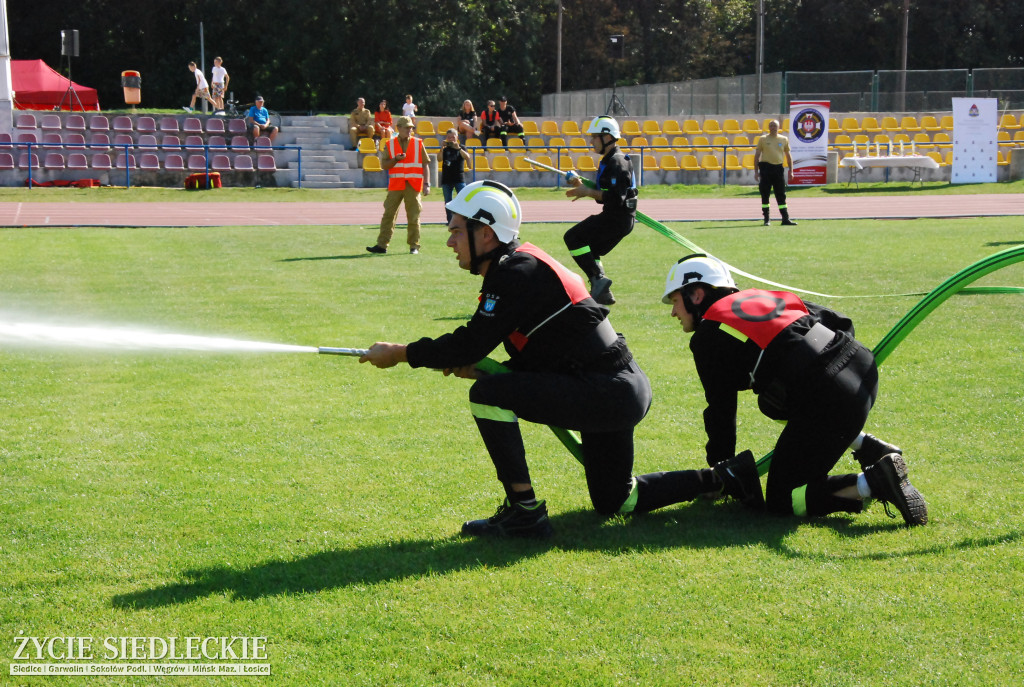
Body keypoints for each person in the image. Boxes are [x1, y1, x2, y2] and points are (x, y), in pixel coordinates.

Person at [360, 181, 739, 538]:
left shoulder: (514, 273)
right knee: (617, 500)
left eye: (457, 230)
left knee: (488, 395)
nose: (449, 241)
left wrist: (399, 354)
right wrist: (488, 366)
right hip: (615, 388)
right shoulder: (519, 267)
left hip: (606, 390)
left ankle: (525, 511)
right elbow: (550, 350)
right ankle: (721, 478)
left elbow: (468, 344)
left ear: (487, 233)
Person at [661, 253, 928, 526]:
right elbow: (840, 322)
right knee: (776, 400)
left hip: (829, 395)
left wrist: (720, 472)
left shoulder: (706, 337)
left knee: (782, 499)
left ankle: (874, 481)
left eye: (674, 301)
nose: (673, 312)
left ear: (696, 294)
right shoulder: (760, 296)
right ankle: (865, 444)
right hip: (861, 366)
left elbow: (721, 411)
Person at [563, 115, 638, 306]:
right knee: (589, 249)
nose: (591, 141)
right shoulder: (610, 160)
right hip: (618, 218)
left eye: (594, 136)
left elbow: (615, 198)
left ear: (607, 137)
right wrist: (582, 187)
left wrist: (587, 192)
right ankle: (602, 291)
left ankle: (598, 281)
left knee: (573, 238)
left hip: (617, 218)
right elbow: (605, 193)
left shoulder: (617, 162)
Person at [367, 116, 430, 255]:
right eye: (406, 127)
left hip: (413, 185)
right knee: (388, 215)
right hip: (396, 185)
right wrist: (395, 159)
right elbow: (384, 165)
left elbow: (425, 164)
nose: (409, 130)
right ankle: (382, 245)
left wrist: (427, 184)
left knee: (413, 216)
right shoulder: (390, 144)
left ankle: (414, 246)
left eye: (411, 128)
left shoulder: (418, 143)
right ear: (398, 128)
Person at [753, 119, 796, 226]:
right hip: (766, 169)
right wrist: (756, 172)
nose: (773, 127)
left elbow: (788, 156)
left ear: (778, 127)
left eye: (774, 126)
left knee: (781, 194)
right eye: (771, 125)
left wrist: (791, 170)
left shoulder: (783, 139)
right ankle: (766, 219)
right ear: (768, 127)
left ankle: (785, 219)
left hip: (778, 169)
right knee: (765, 194)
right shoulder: (763, 139)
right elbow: (757, 156)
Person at [440, 128, 470, 223]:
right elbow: (438, 159)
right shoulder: (445, 149)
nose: (451, 139)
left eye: (453, 137)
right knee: (448, 202)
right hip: (446, 179)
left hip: (459, 178)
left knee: (463, 200)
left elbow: (467, 157)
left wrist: (458, 148)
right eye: (449, 137)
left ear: (457, 137)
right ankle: (450, 221)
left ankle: (464, 220)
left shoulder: (462, 147)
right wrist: (441, 148)